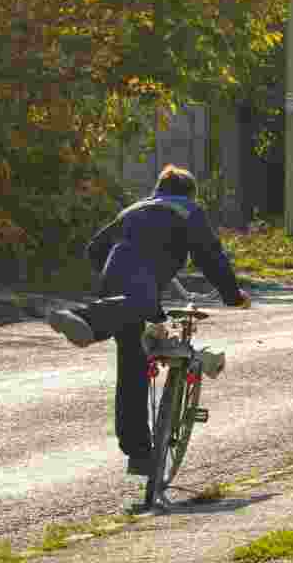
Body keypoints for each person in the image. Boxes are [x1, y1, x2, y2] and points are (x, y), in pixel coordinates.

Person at [48, 164, 250, 476]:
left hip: (114, 276)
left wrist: (119, 268)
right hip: (141, 280)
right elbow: (210, 256)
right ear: (189, 192)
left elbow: (94, 250)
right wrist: (233, 296)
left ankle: (140, 453)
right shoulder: (188, 210)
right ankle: (81, 317)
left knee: (133, 364)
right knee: (139, 308)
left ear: (159, 189)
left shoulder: (133, 209)